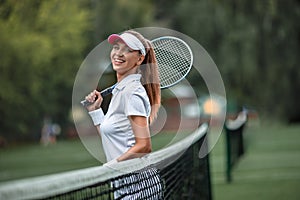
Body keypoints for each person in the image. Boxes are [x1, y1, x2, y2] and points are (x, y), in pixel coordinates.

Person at [84, 30, 162, 199]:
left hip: (139, 188)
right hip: (125, 185)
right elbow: (112, 137)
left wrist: (110, 167)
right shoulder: (121, 91)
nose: (118, 53)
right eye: (116, 47)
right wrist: (95, 112)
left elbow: (144, 146)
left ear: (140, 58)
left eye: (127, 49)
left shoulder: (131, 93)